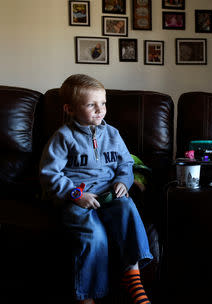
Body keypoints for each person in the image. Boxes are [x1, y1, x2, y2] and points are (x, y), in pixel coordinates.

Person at [39, 74, 153, 304]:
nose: (100, 110)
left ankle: (133, 277)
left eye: (103, 103)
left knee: (127, 208)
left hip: (110, 194)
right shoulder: (63, 137)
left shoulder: (112, 134)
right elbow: (49, 173)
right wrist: (75, 195)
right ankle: (88, 297)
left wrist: (123, 181)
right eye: (91, 104)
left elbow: (125, 163)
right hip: (78, 199)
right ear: (70, 109)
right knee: (94, 236)